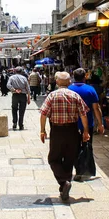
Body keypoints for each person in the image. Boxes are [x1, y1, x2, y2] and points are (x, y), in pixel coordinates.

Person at [39, 71, 90, 202]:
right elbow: (83, 115)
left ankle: (63, 182)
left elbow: (43, 114)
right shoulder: (75, 96)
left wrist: (42, 130)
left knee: (53, 159)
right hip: (72, 131)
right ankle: (64, 186)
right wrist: (85, 131)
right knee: (69, 159)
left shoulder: (52, 96)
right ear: (69, 82)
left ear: (57, 82)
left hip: (57, 131)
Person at [69, 68, 104, 181]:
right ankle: (84, 170)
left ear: (73, 77)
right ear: (85, 77)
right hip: (87, 124)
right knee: (87, 146)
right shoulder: (90, 89)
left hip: (72, 124)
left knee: (74, 147)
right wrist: (100, 123)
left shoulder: (69, 89)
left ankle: (79, 169)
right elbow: (96, 108)